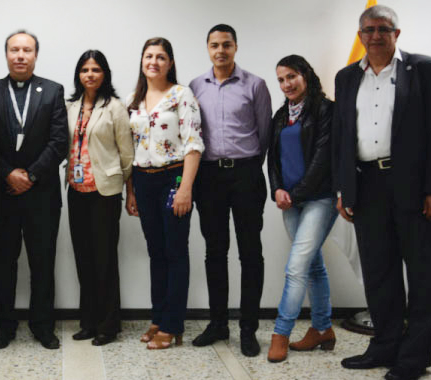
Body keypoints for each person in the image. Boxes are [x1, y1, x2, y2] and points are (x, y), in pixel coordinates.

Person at [333, 5, 431, 380]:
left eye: (384, 29)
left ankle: (414, 359)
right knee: (380, 274)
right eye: (369, 29)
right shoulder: (347, 76)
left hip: (414, 188)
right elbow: (342, 137)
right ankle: (384, 347)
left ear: (397, 34)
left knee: (423, 274)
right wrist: (343, 188)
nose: (376, 35)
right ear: (360, 35)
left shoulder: (425, 69)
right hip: (366, 186)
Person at [0, 30, 68, 350]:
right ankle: (4, 326)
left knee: (43, 263)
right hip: (2, 196)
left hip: (42, 195)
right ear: (6, 54)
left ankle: (43, 326)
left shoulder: (53, 91)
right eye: (14, 49)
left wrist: (30, 175)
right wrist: (8, 174)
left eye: (27, 50)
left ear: (36, 55)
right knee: (2, 264)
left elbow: (59, 142)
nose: (20, 55)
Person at [188, 24, 271, 357]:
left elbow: (264, 134)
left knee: (250, 253)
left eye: (226, 45)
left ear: (235, 47)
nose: (220, 51)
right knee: (214, 251)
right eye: (214, 45)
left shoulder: (256, 85)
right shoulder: (195, 86)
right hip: (208, 177)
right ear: (207, 48)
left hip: (246, 175)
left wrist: (247, 166)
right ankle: (217, 323)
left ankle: (248, 328)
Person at [125, 38, 203, 350]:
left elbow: (194, 143)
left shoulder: (181, 95)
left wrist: (186, 188)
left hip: (174, 178)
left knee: (175, 252)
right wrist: (130, 192)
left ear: (170, 62)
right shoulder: (133, 99)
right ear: (142, 61)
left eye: (160, 57)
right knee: (155, 252)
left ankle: (173, 324)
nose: (153, 62)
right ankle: (158, 317)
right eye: (148, 56)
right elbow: (129, 150)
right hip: (143, 181)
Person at [264, 55, 337, 363]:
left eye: (291, 76)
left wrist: (295, 193)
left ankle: (281, 332)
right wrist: (278, 189)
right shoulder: (281, 115)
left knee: (296, 268)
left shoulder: (325, 109)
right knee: (313, 266)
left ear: (305, 75)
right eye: (281, 79)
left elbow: (323, 159)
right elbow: (274, 158)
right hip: (290, 201)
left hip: (320, 198)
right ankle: (322, 329)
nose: (287, 84)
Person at [65, 50, 133, 346]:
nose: (90, 75)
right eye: (84, 70)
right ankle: (88, 321)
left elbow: (127, 154)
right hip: (76, 191)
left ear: (104, 74)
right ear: (78, 75)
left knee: (104, 258)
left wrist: (129, 189)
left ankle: (109, 324)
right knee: (83, 258)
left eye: (95, 69)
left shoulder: (115, 108)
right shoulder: (70, 107)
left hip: (105, 191)